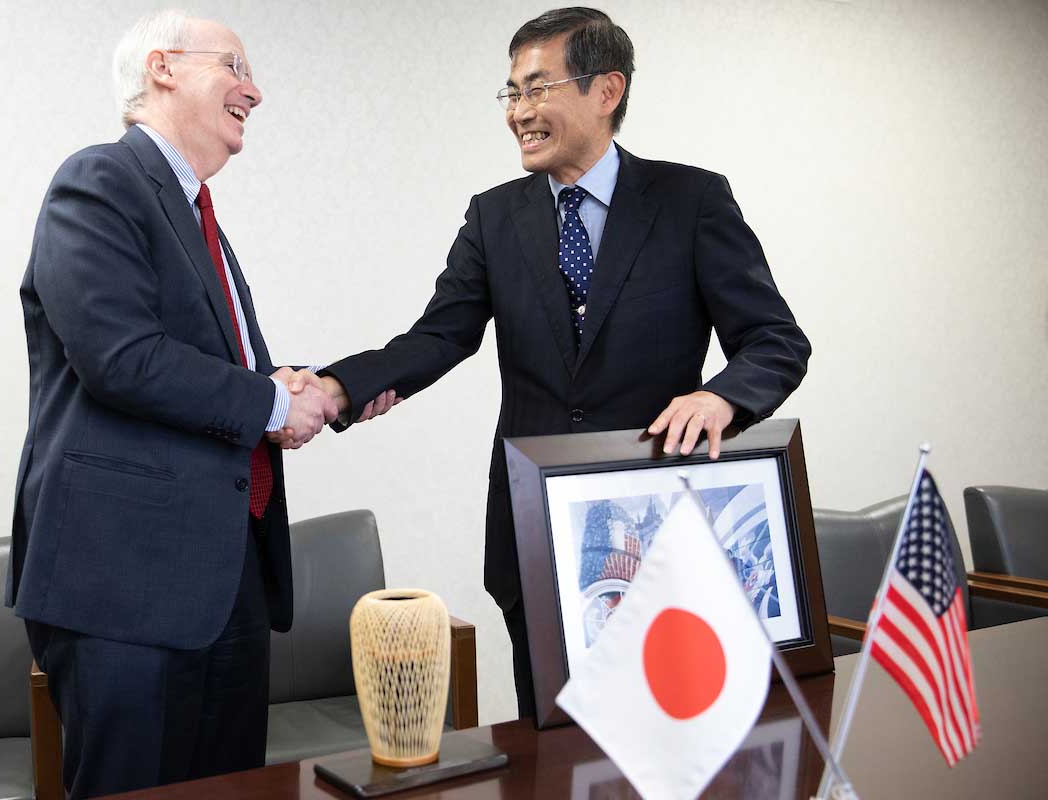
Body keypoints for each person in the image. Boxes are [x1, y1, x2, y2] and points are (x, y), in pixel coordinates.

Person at [312, 7, 812, 720]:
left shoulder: (691, 200)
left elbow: (775, 339)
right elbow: (439, 336)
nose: (519, 112)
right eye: (511, 93)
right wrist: (337, 387)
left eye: (537, 88)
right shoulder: (493, 215)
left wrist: (722, 398)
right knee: (550, 743)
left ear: (606, 91)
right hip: (534, 537)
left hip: (659, 528)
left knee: (664, 731)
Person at [5, 10, 357, 796]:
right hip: (123, 585)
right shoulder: (98, 179)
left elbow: (211, 374)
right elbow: (120, 358)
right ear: (163, 68)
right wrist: (269, 404)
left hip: (224, 579)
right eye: (235, 66)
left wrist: (290, 391)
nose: (254, 91)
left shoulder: (199, 217)